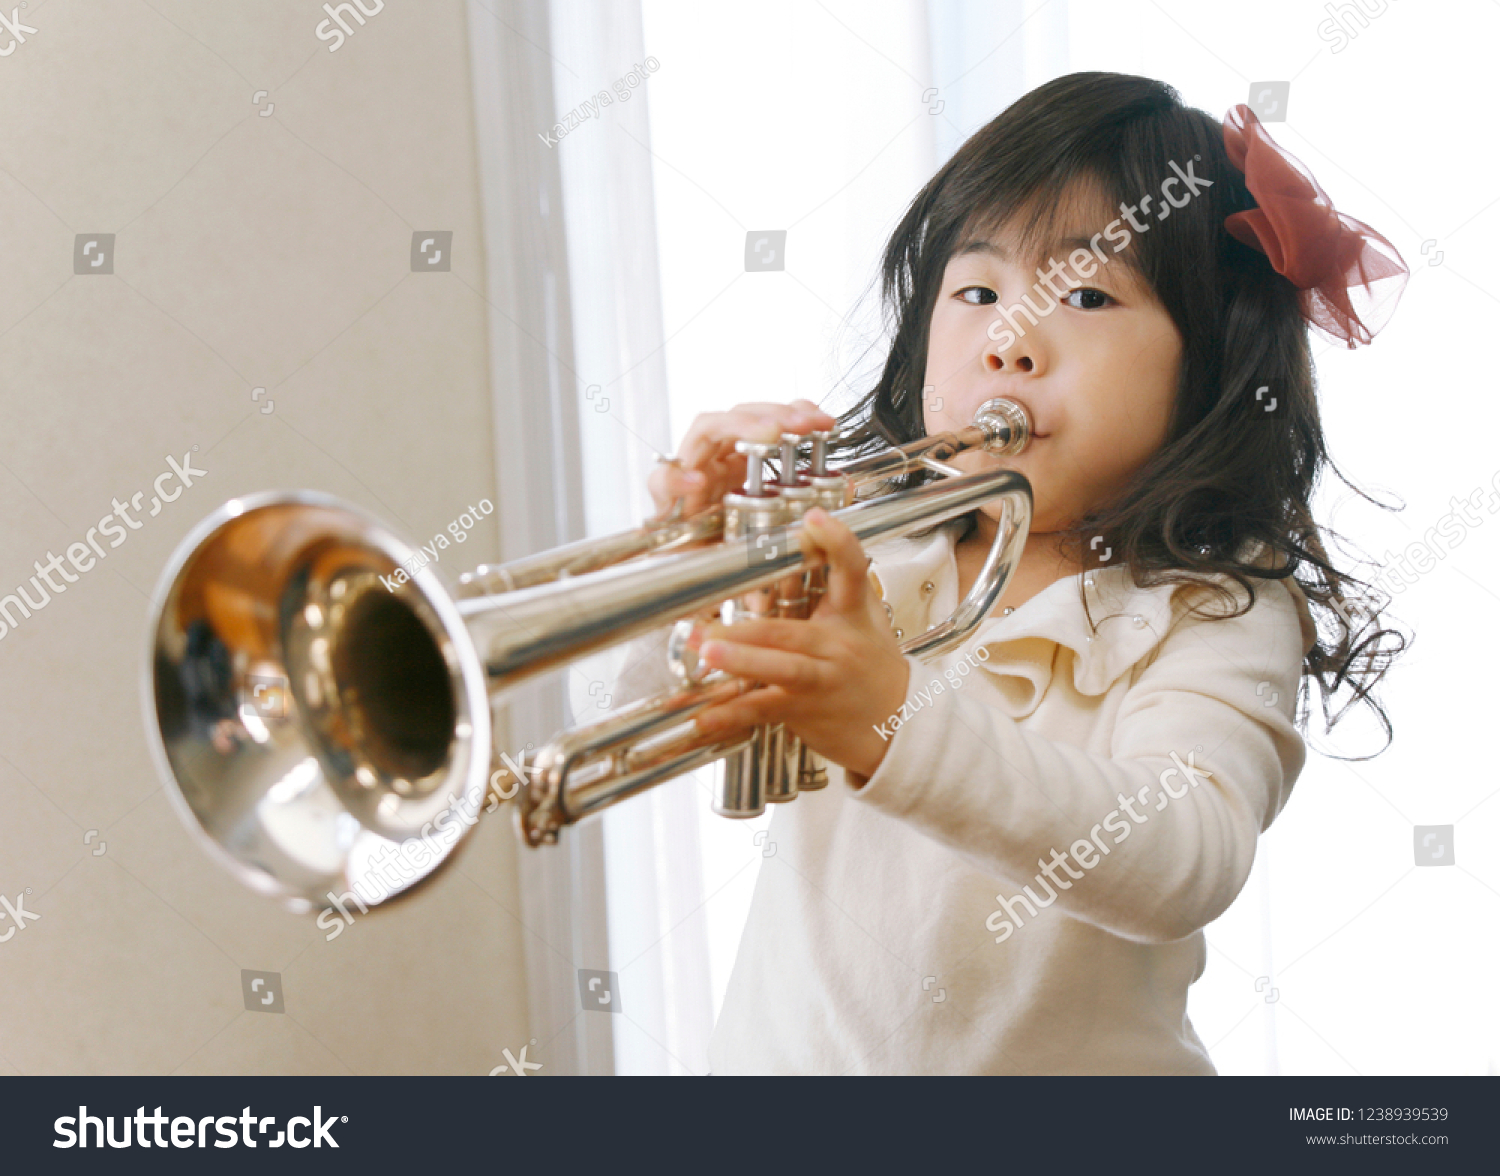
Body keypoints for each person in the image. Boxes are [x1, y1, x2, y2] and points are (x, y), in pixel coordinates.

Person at [630, 72, 1410, 1074]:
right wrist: (683, 572)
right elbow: (653, 719)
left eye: (1085, 295)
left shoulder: (1215, 607)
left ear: (1209, 364)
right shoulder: (864, 544)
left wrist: (892, 720)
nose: (1008, 342)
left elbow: (1186, 858)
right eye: (977, 291)